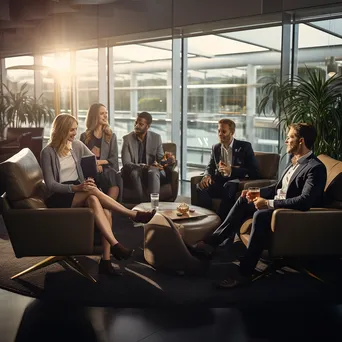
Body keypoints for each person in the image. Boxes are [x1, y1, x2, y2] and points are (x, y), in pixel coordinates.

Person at [190, 123, 327, 288]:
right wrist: (256, 193)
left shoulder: (315, 168)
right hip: (277, 204)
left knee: (260, 215)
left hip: (287, 213)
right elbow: (278, 188)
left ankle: (244, 274)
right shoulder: (294, 162)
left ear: (301, 141)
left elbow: (305, 201)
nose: (286, 141)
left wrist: (268, 203)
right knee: (242, 199)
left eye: (290, 137)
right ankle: (212, 243)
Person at [40, 114, 156, 276]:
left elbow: (92, 160)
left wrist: (88, 178)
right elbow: (51, 184)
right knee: (93, 193)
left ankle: (107, 259)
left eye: (75, 129)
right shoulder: (47, 152)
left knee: (99, 202)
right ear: (62, 129)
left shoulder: (77, 145)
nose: (75, 133)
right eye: (72, 130)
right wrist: (77, 187)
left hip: (80, 189)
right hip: (59, 195)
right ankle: (132, 215)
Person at [197, 118, 259, 221]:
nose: (220, 134)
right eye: (219, 131)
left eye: (224, 131)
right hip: (220, 181)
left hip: (235, 181)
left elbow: (254, 172)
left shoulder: (245, 147)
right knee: (201, 186)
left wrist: (232, 170)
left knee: (228, 186)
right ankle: (207, 218)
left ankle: (221, 221)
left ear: (232, 132)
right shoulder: (215, 147)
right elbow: (210, 166)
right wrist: (207, 175)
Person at [121, 111, 167, 202]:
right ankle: (145, 204)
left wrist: (167, 161)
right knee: (135, 173)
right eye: (136, 123)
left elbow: (161, 158)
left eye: (141, 124)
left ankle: (154, 204)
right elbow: (126, 163)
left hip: (152, 171)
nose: (137, 126)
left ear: (148, 126)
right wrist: (143, 166)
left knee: (153, 171)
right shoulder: (127, 139)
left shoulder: (156, 138)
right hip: (134, 170)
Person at [80, 103, 120, 201]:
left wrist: (99, 162)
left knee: (110, 174)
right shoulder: (84, 136)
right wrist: (94, 165)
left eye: (106, 113)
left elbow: (114, 159)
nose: (105, 115)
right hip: (90, 170)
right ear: (94, 116)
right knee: (95, 175)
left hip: (107, 168)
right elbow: (81, 159)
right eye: (102, 113)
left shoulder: (111, 136)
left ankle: (108, 209)